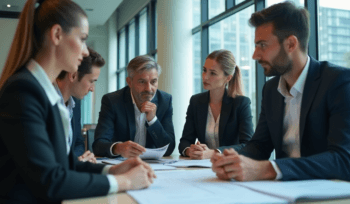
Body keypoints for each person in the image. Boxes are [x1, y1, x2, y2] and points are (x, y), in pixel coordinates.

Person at [0, 0, 155, 203]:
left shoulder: (44, 92)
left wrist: (112, 169)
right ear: (57, 35)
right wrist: (125, 181)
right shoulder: (23, 91)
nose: (84, 51)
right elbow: (51, 181)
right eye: (82, 39)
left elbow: (64, 164)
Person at [211, 1, 350, 181]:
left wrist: (269, 169)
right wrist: (230, 160)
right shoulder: (271, 89)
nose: (255, 55)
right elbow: (260, 146)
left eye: (262, 45)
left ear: (291, 44)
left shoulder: (338, 82)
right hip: (283, 192)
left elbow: (343, 159)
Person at [93, 55, 175, 158]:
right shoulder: (112, 101)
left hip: (152, 167)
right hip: (122, 166)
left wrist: (153, 120)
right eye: (142, 82)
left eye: (153, 82)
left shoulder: (165, 101)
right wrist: (119, 148)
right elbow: (98, 145)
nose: (149, 89)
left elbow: (169, 149)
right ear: (129, 82)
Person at [179, 50, 254, 160]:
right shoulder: (196, 101)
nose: (205, 77)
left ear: (228, 78)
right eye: (204, 70)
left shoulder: (241, 103)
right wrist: (191, 151)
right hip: (201, 166)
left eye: (213, 73)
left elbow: (248, 145)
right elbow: (185, 141)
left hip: (231, 165)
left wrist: (213, 153)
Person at [55, 47, 104, 163]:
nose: (92, 89)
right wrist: (76, 163)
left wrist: (79, 160)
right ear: (73, 76)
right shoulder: (43, 101)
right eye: (91, 81)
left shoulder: (75, 102)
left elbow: (78, 143)